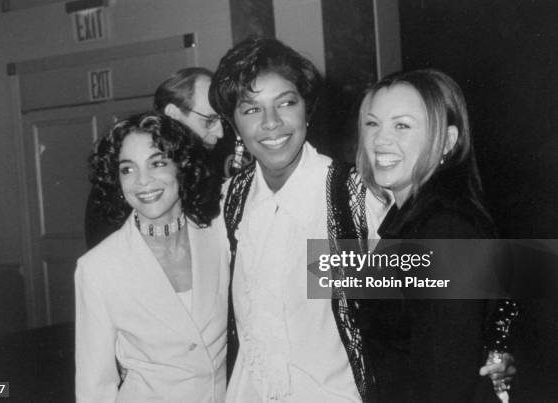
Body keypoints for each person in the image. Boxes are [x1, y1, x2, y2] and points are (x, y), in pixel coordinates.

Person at [209, 36, 390, 403]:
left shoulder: (354, 196)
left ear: (306, 109)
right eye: (251, 109)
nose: (272, 123)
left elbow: (442, 285)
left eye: (286, 103)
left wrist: (497, 349)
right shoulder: (230, 200)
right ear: (234, 125)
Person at [356, 69, 516, 402]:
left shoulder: (445, 230)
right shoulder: (412, 219)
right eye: (372, 124)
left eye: (402, 125)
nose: (380, 140)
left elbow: (445, 382)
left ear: (447, 140)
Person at [75, 113, 229, 402]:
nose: (143, 181)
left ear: (181, 167)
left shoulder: (219, 235)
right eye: (127, 169)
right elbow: (94, 385)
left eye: (157, 163)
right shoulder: (98, 268)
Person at [84, 67, 228, 250]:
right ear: (173, 114)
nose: (220, 133)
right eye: (209, 120)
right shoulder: (120, 184)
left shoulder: (204, 173)